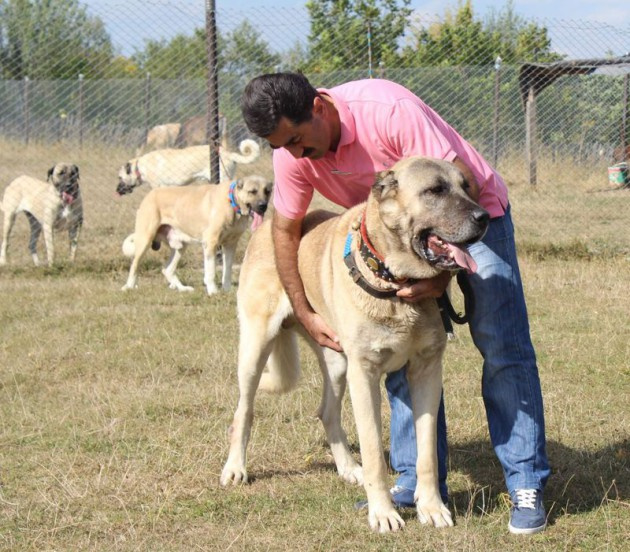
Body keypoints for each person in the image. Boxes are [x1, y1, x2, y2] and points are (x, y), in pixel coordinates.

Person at [240, 72, 550, 535]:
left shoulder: (387, 110)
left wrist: (441, 275)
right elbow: (284, 231)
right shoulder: (291, 152)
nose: (297, 155)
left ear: (319, 110)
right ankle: (417, 480)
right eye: (285, 147)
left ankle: (525, 481)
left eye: (300, 141)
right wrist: (306, 311)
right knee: (399, 347)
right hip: (393, 240)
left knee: (502, 345)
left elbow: (453, 191)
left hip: (473, 215)